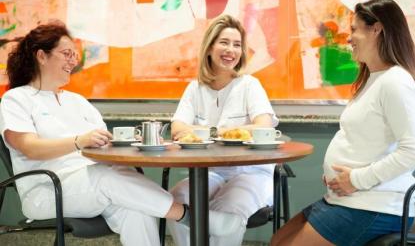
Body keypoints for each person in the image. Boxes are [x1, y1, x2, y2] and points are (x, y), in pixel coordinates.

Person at [0, 22, 240, 246]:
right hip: (48, 191)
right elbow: (28, 146)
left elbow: (103, 143)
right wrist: (78, 142)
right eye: (67, 53)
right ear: (41, 56)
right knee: (107, 178)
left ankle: (189, 217)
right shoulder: (16, 99)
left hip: (95, 186)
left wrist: (122, 143)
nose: (73, 60)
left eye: (75, 54)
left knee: (137, 209)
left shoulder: (77, 101)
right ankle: (195, 218)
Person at [271, 0, 415, 246]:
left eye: (354, 29)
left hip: (375, 205)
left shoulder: (396, 81)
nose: (349, 38)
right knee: (279, 240)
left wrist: (355, 179)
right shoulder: (374, 78)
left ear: (376, 29)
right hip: (348, 198)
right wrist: (337, 172)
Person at [168, 14, 279, 246]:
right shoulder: (195, 89)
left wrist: (207, 132)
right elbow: (178, 128)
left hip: (250, 172)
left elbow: (263, 126)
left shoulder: (249, 85)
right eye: (224, 42)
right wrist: (221, 133)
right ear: (209, 48)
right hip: (209, 172)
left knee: (228, 210)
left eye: (237, 45)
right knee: (176, 200)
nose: (231, 50)